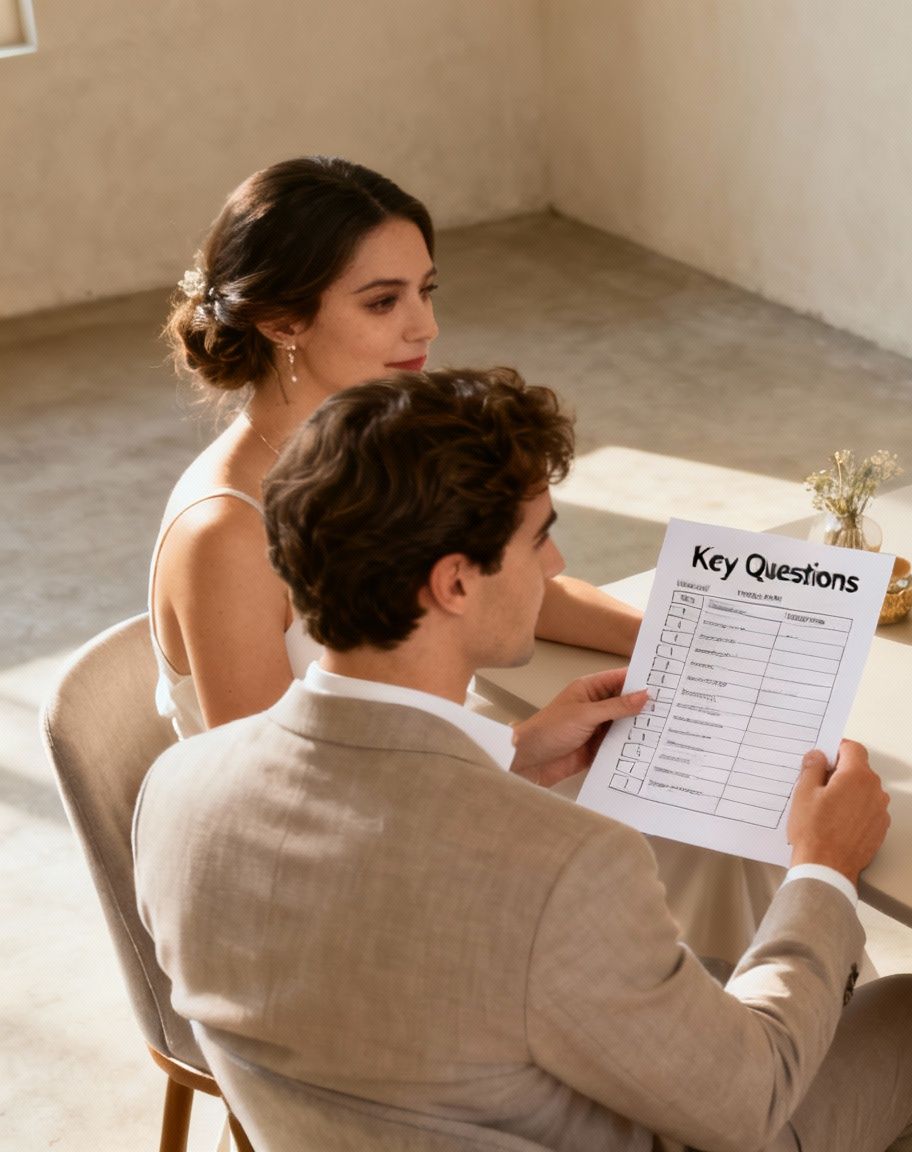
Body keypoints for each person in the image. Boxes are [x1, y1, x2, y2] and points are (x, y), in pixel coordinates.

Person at [133, 368, 912, 1151]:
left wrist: (505, 756)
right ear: (456, 583)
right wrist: (823, 871)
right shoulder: (561, 868)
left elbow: (377, 896)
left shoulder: (176, 792)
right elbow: (750, 1096)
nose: (558, 565)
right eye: (540, 537)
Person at [151, 156, 775, 964]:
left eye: (426, 290)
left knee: (715, 803)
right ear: (280, 319)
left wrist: (673, 640)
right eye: (383, 301)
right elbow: (286, 801)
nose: (424, 327)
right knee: (687, 833)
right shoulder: (225, 536)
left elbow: (500, 578)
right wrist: (507, 769)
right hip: (336, 891)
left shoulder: (375, 442)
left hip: (419, 782)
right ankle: (745, 1050)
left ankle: (749, 1041)